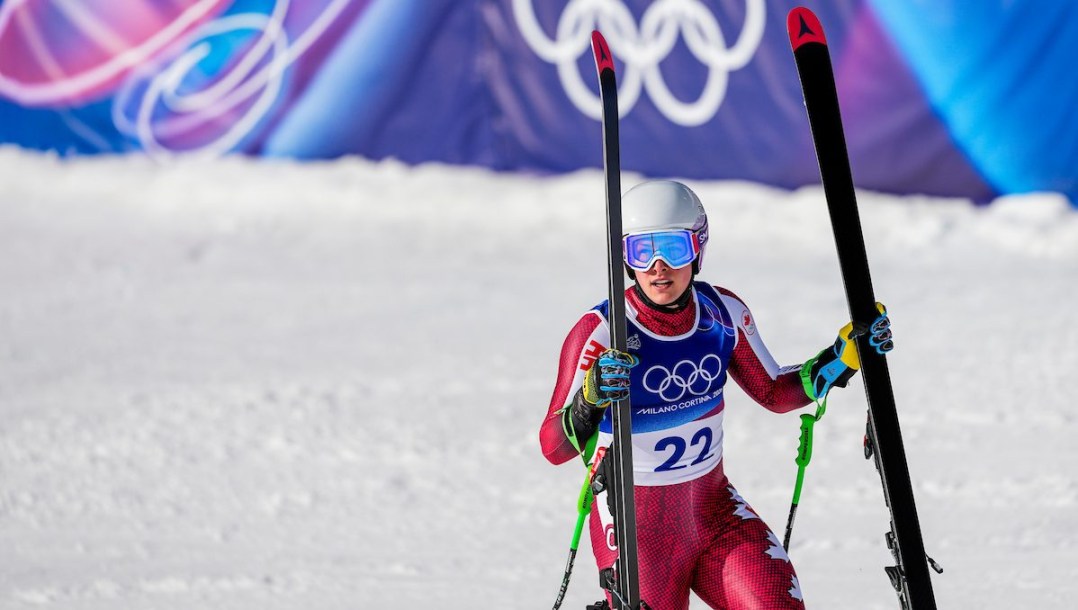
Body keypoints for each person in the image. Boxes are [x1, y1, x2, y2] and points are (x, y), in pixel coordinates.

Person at [539, 180, 892, 609]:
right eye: (641, 251)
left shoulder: (720, 313)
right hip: (636, 528)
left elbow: (775, 392)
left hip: (713, 511)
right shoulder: (601, 331)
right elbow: (553, 447)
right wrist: (589, 400)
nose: (657, 266)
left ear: (698, 248)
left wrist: (842, 357)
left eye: (673, 247)